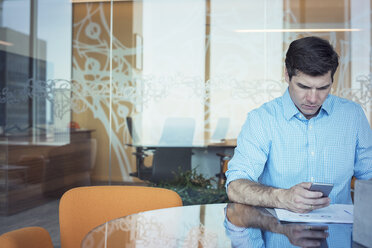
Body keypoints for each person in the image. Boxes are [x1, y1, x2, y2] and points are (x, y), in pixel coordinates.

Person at [225, 36, 372, 213]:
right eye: (303, 87)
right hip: (277, 232)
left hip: (340, 235)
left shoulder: (353, 116)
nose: (312, 98)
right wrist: (282, 197)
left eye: (323, 88)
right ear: (287, 75)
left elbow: (369, 176)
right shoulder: (262, 119)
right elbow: (235, 186)